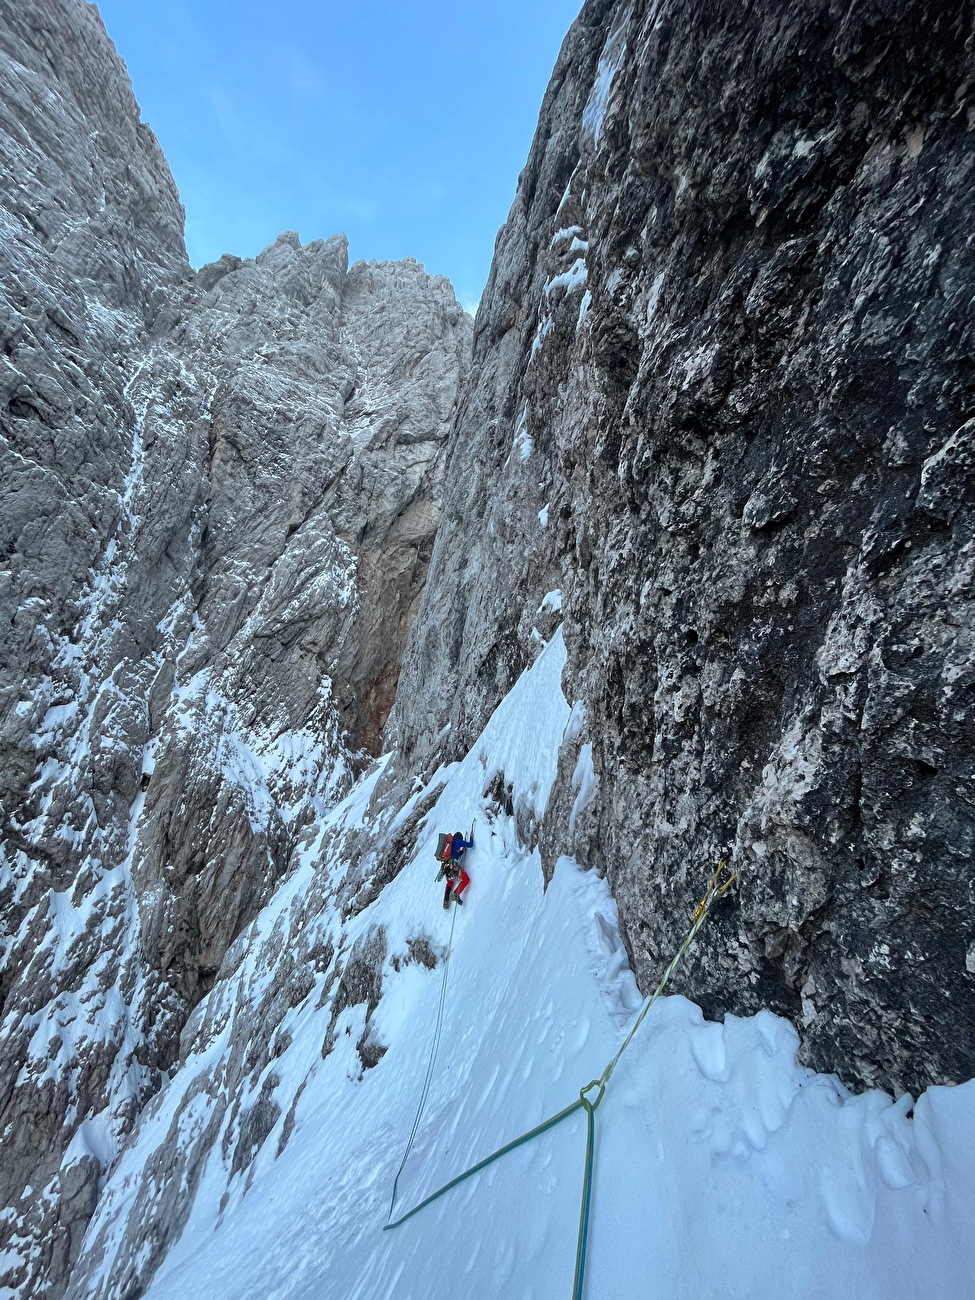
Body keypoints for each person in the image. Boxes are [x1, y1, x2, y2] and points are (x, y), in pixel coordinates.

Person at [437, 828, 474, 908]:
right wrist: (471, 837)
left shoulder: (450, 845)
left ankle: (445, 902)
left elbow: (455, 854)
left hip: (445, 867)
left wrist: (461, 852)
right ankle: (456, 894)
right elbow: (470, 845)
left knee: (450, 882)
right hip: (453, 866)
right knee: (466, 879)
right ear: (460, 838)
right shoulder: (459, 842)